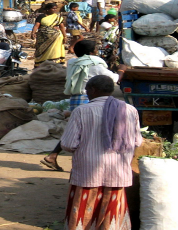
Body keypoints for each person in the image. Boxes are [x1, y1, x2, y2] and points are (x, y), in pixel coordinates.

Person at [60, 75, 141, 229]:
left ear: (93, 89)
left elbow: (68, 143)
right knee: (112, 214)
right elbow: (137, 141)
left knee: (82, 211)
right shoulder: (129, 110)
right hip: (117, 170)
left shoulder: (82, 111)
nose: (86, 93)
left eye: (87, 90)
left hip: (88, 171)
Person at [40, 40, 126, 171]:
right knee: (86, 131)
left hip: (75, 98)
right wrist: (121, 70)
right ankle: (82, 161)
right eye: (95, 49)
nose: (97, 51)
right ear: (91, 53)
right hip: (89, 98)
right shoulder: (95, 65)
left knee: (75, 129)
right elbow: (113, 79)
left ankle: (53, 155)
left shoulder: (73, 62)